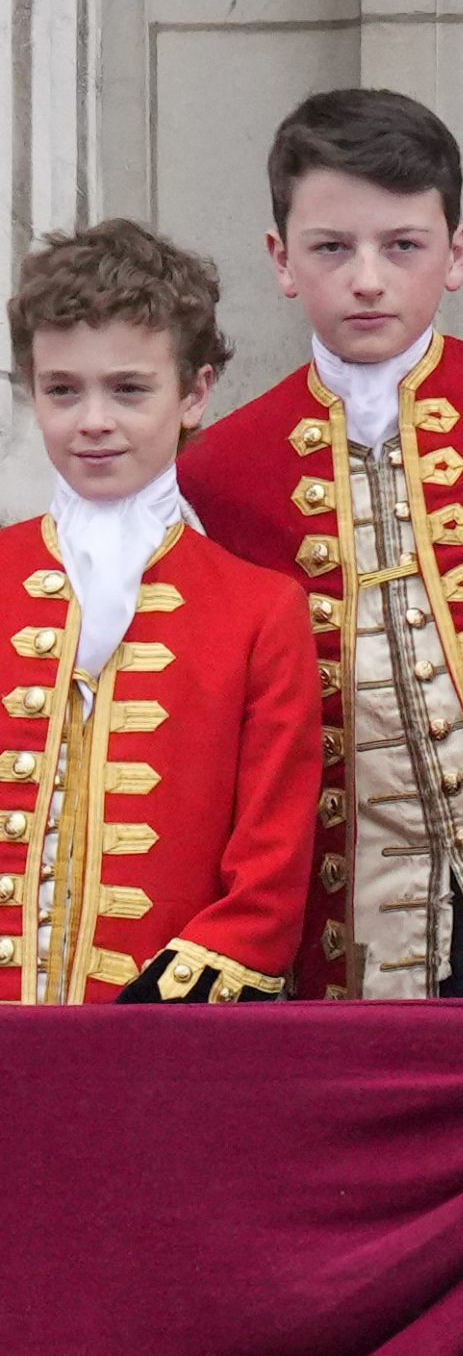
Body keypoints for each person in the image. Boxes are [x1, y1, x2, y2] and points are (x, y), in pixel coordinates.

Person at [177, 91, 463, 999]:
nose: (368, 279)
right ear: (283, 261)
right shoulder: (219, 468)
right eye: (332, 248)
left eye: (403, 245)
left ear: (456, 253)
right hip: (339, 937)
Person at [1, 221, 319, 1003]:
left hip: (162, 1049)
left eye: (129, 388)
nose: (93, 420)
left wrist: (152, 1022)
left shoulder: (261, 610)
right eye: (62, 389)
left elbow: (268, 880)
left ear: (195, 393)